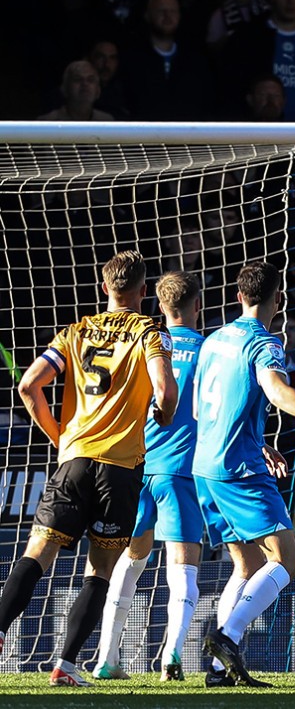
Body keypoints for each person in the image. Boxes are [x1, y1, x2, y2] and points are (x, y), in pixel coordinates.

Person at [0, 250, 177, 687]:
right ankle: (65, 666)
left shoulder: (75, 331)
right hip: (119, 469)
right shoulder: (149, 332)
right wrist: (164, 413)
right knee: (99, 571)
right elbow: (165, 391)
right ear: (142, 292)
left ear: (104, 288)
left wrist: (60, 437)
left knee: (36, 555)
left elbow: (28, 385)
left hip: (74, 460)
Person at [194, 260, 295, 686]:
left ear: (238, 297)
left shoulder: (213, 339)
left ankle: (218, 670)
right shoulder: (263, 343)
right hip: (239, 469)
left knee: (246, 566)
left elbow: (200, 408)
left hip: (205, 465)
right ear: (279, 300)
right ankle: (227, 637)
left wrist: (259, 440)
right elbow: (276, 390)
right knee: (286, 560)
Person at [93, 270, 205, 682]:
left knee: (130, 560)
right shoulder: (208, 351)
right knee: (184, 568)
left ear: (158, 305)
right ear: (198, 304)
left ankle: (107, 657)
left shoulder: (144, 344)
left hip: (135, 468)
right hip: (180, 473)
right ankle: (172, 657)